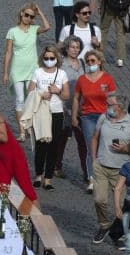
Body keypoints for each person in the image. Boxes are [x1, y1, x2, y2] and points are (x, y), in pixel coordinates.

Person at [90, 93, 130, 244]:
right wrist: (93, 159)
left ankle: (121, 232)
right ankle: (104, 225)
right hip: (101, 166)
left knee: (123, 204)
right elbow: (94, 137)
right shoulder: (103, 117)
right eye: (107, 104)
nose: (107, 107)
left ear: (119, 107)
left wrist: (126, 149)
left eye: (110, 105)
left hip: (121, 170)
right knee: (99, 200)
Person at [27, 45, 70, 190]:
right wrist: (41, 93)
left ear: (56, 59)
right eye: (46, 58)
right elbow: (30, 91)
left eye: (52, 58)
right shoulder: (38, 72)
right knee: (41, 144)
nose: (49, 60)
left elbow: (66, 95)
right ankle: (38, 175)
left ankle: (48, 178)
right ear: (42, 59)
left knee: (54, 145)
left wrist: (57, 91)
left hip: (56, 112)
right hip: (40, 112)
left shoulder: (62, 74)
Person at [72, 49, 116, 187]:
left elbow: (113, 99)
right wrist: (74, 116)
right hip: (87, 117)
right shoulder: (82, 80)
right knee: (91, 148)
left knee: (104, 147)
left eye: (93, 61)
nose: (90, 63)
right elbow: (76, 99)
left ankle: (104, 176)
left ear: (100, 62)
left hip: (104, 117)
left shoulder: (107, 79)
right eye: (88, 61)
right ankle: (92, 178)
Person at [3, 3, 50, 123]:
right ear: (21, 14)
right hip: (17, 70)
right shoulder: (12, 31)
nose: (28, 18)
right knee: (20, 99)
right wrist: (5, 73)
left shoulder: (34, 29)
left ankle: (30, 124)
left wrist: (40, 13)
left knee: (31, 98)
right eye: (27, 15)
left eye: (32, 16)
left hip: (32, 70)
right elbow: (8, 53)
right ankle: (22, 130)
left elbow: (47, 27)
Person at [56, 36, 86, 180]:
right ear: (67, 49)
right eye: (72, 47)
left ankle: (87, 172)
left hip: (80, 108)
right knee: (61, 139)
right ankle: (57, 166)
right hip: (63, 107)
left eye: (77, 47)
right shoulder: (61, 65)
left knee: (82, 141)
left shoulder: (83, 64)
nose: (75, 50)